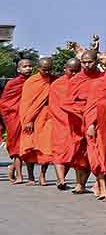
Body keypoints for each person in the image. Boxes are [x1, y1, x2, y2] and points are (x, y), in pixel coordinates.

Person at [48, 57, 90, 192]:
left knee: (81, 154)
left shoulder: (85, 82)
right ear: (65, 69)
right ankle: (61, 179)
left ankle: (80, 184)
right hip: (61, 122)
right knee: (60, 151)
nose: (74, 74)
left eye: (77, 71)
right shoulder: (57, 84)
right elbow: (54, 105)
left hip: (80, 122)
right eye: (71, 71)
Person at [83, 52, 106, 201]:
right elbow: (92, 105)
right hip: (99, 125)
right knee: (100, 157)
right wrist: (91, 123)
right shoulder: (99, 83)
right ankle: (103, 187)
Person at [17, 57, 55, 186]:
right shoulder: (31, 82)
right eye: (45, 70)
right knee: (30, 147)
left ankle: (42, 175)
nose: (47, 72)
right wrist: (28, 120)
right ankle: (31, 177)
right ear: (38, 68)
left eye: (50, 69)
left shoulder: (53, 80)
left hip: (47, 117)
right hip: (31, 119)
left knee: (46, 146)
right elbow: (26, 103)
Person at [1, 58, 31, 183]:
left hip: (29, 117)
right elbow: (5, 102)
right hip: (14, 117)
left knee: (28, 146)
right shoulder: (12, 83)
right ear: (18, 69)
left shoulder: (35, 81)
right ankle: (19, 176)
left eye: (30, 66)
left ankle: (13, 167)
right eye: (25, 66)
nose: (28, 68)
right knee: (17, 147)